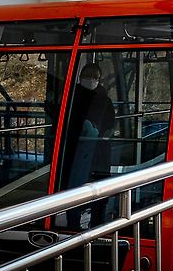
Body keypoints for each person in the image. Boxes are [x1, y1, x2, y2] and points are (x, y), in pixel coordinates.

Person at [63, 62, 116, 227]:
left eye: (95, 77)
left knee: (89, 189)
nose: (92, 80)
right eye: (89, 76)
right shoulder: (74, 97)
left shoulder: (100, 100)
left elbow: (110, 125)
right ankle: (79, 224)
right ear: (81, 77)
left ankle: (90, 224)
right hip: (84, 150)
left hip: (91, 152)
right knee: (82, 189)